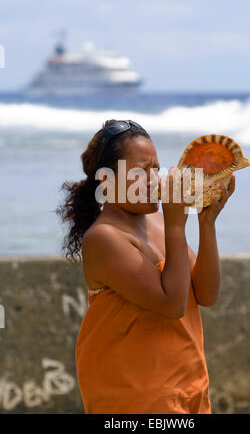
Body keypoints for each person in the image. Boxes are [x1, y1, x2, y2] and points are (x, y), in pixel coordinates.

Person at [56, 119, 235, 414]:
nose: (154, 180)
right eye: (141, 171)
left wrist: (206, 223)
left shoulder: (160, 221)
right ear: (107, 180)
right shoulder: (104, 238)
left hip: (189, 384)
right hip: (137, 395)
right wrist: (177, 224)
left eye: (156, 169)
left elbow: (206, 294)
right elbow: (172, 304)